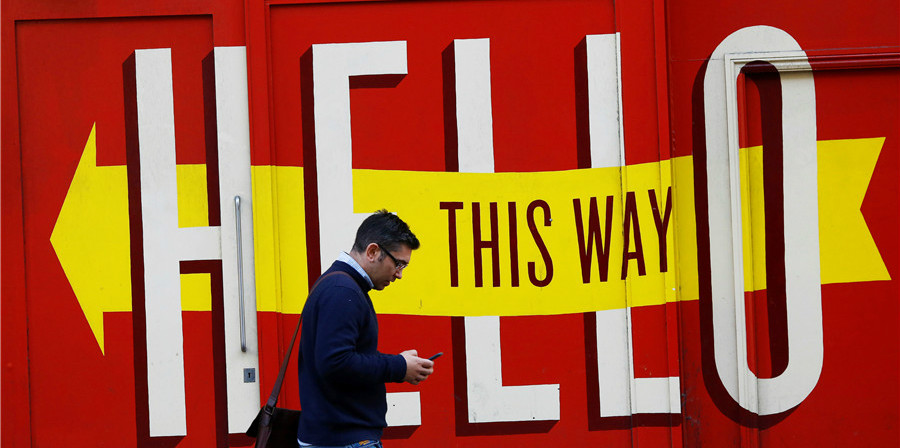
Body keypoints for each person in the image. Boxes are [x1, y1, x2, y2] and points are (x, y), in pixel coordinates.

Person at [297, 210, 434, 448]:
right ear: (372, 251)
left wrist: (400, 364)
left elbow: (338, 358)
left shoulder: (337, 284)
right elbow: (336, 362)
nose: (399, 274)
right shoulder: (343, 291)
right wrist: (399, 367)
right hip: (345, 440)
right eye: (398, 263)